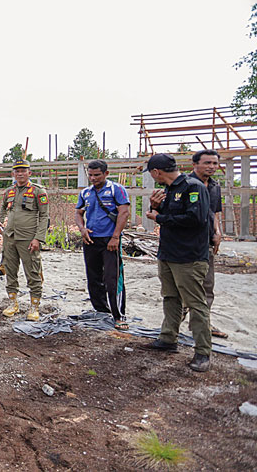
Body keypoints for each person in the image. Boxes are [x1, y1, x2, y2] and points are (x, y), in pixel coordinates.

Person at [144, 153, 212, 372]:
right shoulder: (170, 190)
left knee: (195, 303)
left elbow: (196, 219)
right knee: (170, 297)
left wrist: (159, 217)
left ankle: (202, 352)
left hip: (189, 257)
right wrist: (157, 207)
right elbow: (173, 214)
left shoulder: (194, 187)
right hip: (169, 253)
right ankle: (168, 338)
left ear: (157, 172)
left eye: (152, 174)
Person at [75, 160, 131, 330]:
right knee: (93, 276)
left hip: (110, 240)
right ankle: (101, 310)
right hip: (91, 240)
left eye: (97, 175)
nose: (93, 178)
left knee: (113, 278)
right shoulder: (85, 192)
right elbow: (78, 212)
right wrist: (82, 228)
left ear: (106, 174)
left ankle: (119, 315)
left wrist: (115, 237)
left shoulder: (116, 189)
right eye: (90, 175)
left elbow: (124, 212)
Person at [0, 159, 49, 321]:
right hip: (10, 237)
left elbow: (44, 216)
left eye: (23, 171)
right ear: (13, 174)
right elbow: (4, 207)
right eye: (17, 171)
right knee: (10, 271)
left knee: (33, 271)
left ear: (29, 173)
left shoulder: (38, 191)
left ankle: (34, 307)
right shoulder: (9, 191)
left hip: (29, 238)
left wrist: (38, 238)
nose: (20, 174)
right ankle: (13, 303)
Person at [187, 149, 227, 339]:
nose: (212, 167)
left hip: (207, 244)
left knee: (207, 285)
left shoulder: (214, 187)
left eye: (214, 163)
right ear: (194, 164)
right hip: (185, 244)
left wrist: (217, 232)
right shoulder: (183, 185)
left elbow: (215, 213)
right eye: (207, 163)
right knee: (183, 286)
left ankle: (203, 324)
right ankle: (171, 328)